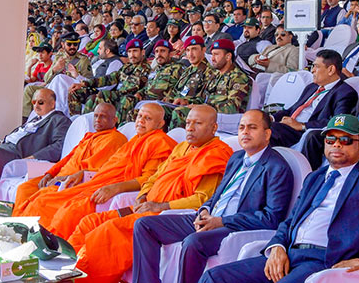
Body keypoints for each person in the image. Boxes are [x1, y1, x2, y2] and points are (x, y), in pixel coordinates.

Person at [200, 114, 359, 283]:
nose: (337, 145)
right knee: (215, 277)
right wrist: (278, 246)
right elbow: (289, 221)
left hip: (326, 259)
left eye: (346, 140)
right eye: (330, 140)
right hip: (290, 255)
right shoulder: (316, 177)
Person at [66, 105, 233, 282]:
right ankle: (66, 267)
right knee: (90, 221)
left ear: (214, 128)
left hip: (163, 214)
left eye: (197, 123)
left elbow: (202, 199)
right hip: (145, 205)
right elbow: (156, 175)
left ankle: (83, 276)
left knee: (108, 230)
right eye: (188, 123)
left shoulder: (216, 154)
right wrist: (143, 195)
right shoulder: (182, 147)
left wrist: (160, 206)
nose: (190, 128)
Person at [132, 110, 294, 283]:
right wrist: (204, 210)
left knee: (194, 242)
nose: (245, 132)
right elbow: (218, 195)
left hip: (233, 226)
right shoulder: (237, 157)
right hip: (209, 218)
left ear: (267, 133)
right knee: (144, 225)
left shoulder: (277, 167)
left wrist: (222, 221)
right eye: (241, 127)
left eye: (252, 128)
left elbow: (272, 218)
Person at [13, 103, 177, 238]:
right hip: (95, 183)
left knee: (66, 208)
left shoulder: (159, 142)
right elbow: (105, 168)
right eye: (140, 116)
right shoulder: (135, 140)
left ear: (160, 124)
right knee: (44, 198)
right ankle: (25, 237)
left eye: (148, 118)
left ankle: (49, 245)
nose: (141, 121)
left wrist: (114, 188)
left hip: (109, 189)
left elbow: (149, 180)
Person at [0, 89, 71, 218]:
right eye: (34, 102)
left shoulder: (58, 120)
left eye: (41, 102)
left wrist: (34, 157)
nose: (36, 105)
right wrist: (0, 142)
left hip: (19, 157)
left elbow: (59, 145)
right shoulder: (34, 120)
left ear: (52, 104)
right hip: (5, 151)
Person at [269, 49, 357, 148]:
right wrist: (271, 118)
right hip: (287, 127)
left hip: (306, 134)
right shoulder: (311, 87)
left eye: (317, 66)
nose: (312, 70)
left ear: (331, 70)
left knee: (267, 130)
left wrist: (302, 125)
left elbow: (337, 122)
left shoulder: (345, 93)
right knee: (258, 123)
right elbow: (292, 110)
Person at [169, 39, 250, 129]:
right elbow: (203, 98)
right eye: (212, 54)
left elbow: (232, 108)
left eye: (216, 54)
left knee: (180, 112)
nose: (212, 59)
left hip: (225, 118)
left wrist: (203, 108)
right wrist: (187, 101)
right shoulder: (215, 75)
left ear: (228, 57)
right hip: (207, 112)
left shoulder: (238, 77)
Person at [67, 39, 150, 123]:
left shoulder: (146, 68)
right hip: (117, 94)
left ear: (142, 52)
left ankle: (88, 125)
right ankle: (76, 122)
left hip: (126, 96)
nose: (132, 55)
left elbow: (137, 88)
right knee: (75, 91)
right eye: (129, 52)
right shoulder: (127, 67)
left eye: (135, 51)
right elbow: (109, 78)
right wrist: (83, 84)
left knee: (101, 95)